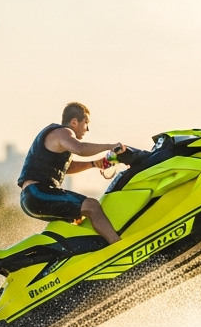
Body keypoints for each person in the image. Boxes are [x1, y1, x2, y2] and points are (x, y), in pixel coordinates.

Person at [17, 102, 127, 245]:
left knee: (77, 220)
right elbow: (80, 149)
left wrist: (93, 164)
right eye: (86, 123)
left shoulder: (60, 140)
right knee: (91, 206)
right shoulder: (63, 132)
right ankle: (118, 247)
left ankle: (77, 258)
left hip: (33, 196)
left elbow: (67, 168)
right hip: (38, 193)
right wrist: (111, 146)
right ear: (74, 122)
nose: (87, 129)